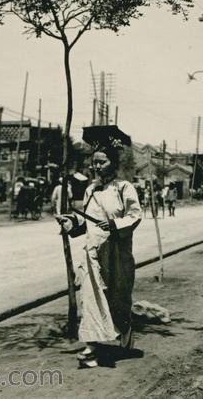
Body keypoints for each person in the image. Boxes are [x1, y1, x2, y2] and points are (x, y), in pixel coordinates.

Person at [56, 135, 141, 368]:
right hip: (92, 252)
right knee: (91, 298)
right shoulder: (91, 190)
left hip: (116, 253)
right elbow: (86, 223)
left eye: (101, 162)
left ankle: (125, 328)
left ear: (113, 163)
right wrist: (71, 223)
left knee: (118, 298)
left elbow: (135, 216)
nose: (96, 166)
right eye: (94, 162)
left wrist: (114, 225)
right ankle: (91, 349)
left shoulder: (124, 188)